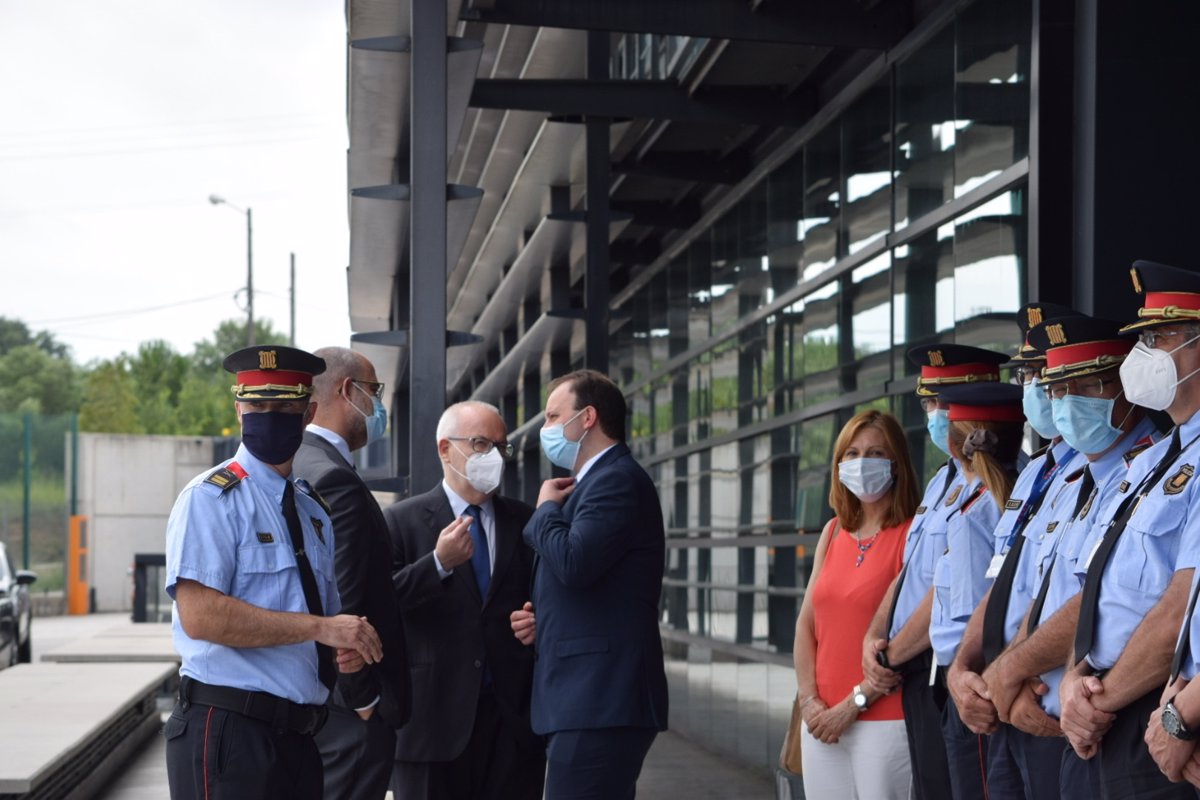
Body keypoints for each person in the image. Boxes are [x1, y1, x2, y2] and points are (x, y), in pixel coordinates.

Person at [163, 344, 383, 800]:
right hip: (228, 731)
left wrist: (346, 646)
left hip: (299, 737)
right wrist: (321, 628)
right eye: (258, 405)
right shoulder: (210, 498)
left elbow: (322, 620)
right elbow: (201, 615)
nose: (269, 416)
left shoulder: (312, 511)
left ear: (308, 412)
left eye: (283, 406)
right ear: (238, 407)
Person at [977, 314, 1155, 800]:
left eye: (1085, 386)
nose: (1065, 402)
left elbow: (1096, 601)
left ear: (1124, 387)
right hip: (1030, 706)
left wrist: (1007, 673)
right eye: (1058, 389)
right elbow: (1037, 592)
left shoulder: (1146, 472)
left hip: (1090, 721)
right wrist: (1004, 674)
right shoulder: (1080, 479)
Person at [1057, 261, 1200, 799]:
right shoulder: (1149, 460)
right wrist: (1073, 679)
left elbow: (1175, 612)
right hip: (1097, 711)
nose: (1143, 355)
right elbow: (1096, 589)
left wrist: (1098, 700)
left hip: (1146, 712)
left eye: (1158, 337)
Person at [945, 302, 1084, 800]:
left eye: (1040, 372)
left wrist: (1008, 674)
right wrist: (963, 667)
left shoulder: (1101, 473)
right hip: (1004, 698)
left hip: (1046, 702)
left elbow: (1092, 597)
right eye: (1025, 372)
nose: (1033, 386)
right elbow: (1006, 583)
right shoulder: (1036, 473)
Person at [862, 343, 1008, 800]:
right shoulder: (942, 480)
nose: (936, 414)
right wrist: (874, 633)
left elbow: (949, 594)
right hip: (918, 667)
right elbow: (911, 572)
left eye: (946, 404)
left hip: (941, 663)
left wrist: (891, 656)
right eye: (930, 403)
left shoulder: (992, 487)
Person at [384, 400, 545, 800]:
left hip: (511, 724)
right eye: (479, 443)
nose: (491, 455)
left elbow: (546, 597)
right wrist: (438, 563)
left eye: (500, 446)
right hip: (432, 724)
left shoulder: (524, 521)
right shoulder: (400, 520)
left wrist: (540, 622)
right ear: (444, 449)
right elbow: (383, 604)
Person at [520, 369, 668, 799]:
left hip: (600, 697)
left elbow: (575, 562)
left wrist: (544, 509)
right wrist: (542, 621)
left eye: (552, 416)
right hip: (586, 698)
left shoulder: (615, 480)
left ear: (587, 418)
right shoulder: (593, 484)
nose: (546, 428)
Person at [293, 346, 411, 800]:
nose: (379, 406)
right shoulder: (332, 476)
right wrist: (364, 700)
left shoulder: (297, 462)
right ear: (348, 390)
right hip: (348, 712)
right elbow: (340, 597)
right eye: (375, 392)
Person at [793, 409, 919, 799]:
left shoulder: (915, 533)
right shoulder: (832, 532)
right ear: (838, 464)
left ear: (896, 464)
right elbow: (806, 625)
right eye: (852, 453)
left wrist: (853, 704)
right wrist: (810, 701)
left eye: (876, 452)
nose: (862, 462)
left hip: (884, 721)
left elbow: (908, 637)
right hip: (819, 722)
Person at [929, 382, 1027, 798]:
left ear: (956, 447)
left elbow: (973, 617)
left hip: (975, 690)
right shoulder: (1020, 490)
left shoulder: (972, 513)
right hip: (1003, 682)